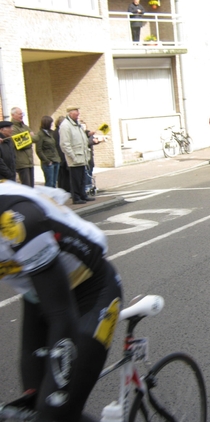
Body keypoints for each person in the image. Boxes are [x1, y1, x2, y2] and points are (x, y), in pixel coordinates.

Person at [0, 180, 122, 421]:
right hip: (38, 296)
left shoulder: (16, 221)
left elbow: (61, 315)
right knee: (34, 405)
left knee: (53, 413)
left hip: (90, 290)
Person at [59, 106, 94, 204]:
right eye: (76, 112)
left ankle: (83, 195)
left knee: (82, 178)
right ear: (70, 113)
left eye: (78, 112)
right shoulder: (65, 126)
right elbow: (65, 144)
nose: (78, 114)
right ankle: (76, 197)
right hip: (75, 158)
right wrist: (73, 157)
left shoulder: (77, 124)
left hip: (81, 156)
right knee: (75, 179)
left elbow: (82, 139)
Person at [10, 107, 37, 187]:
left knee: (31, 186)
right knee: (26, 186)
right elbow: (19, 144)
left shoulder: (24, 126)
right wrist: (30, 138)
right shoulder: (13, 128)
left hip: (29, 161)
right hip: (22, 162)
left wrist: (28, 138)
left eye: (22, 113)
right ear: (13, 115)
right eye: (19, 114)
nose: (22, 115)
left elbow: (35, 137)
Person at [35, 116, 61, 188]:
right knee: (49, 183)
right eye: (50, 123)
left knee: (54, 182)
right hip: (48, 162)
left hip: (56, 159)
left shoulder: (51, 133)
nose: (51, 125)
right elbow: (38, 150)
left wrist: (58, 158)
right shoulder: (40, 134)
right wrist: (47, 161)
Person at [53, 116, 70, 193]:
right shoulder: (58, 132)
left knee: (63, 175)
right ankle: (65, 190)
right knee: (63, 175)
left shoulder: (56, 132)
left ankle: (64, 189)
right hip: (61, 156)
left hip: (60, 156)